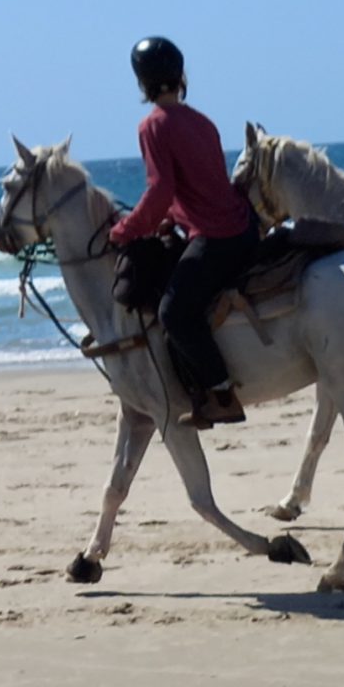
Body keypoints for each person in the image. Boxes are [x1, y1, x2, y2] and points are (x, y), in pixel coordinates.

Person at [109, 35, 257, 428]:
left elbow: (160, 190)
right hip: (243, 228)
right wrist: (170, 219)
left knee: (173, 312)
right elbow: (201, 186)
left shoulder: (153, 125)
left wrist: (125, 230)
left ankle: (222, 394)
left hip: (216, 238)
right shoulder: (202, 121)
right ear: (179, 76)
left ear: (142, 82)